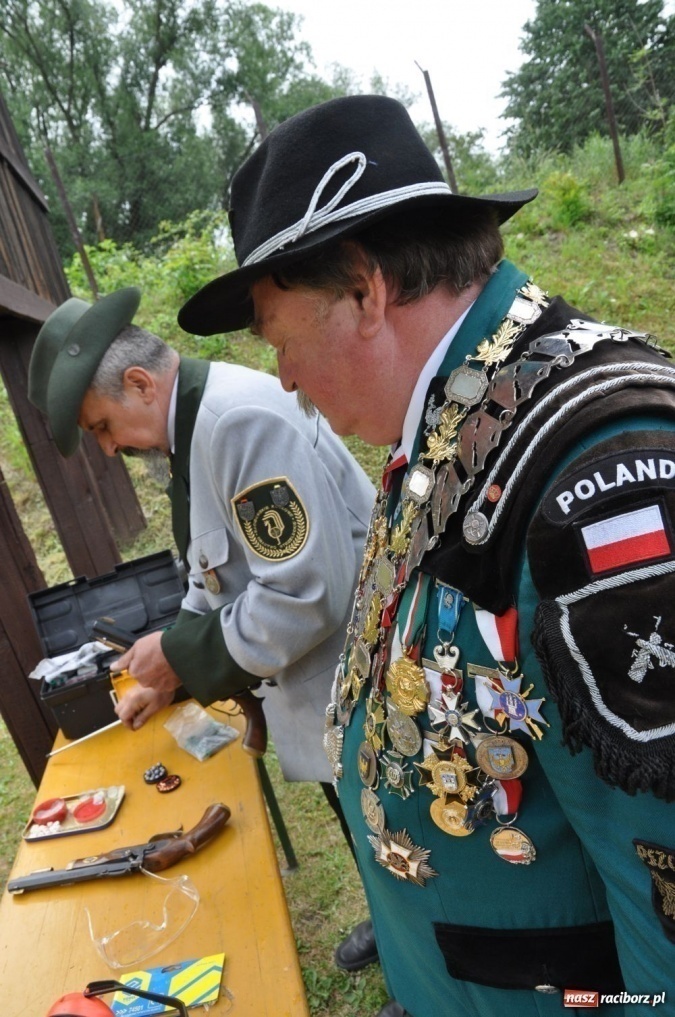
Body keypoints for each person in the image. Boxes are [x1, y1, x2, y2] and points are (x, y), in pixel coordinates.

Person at [176, 94, 675, 1017]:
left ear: (365, 290)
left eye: (282, 339)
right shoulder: (455, 422)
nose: (281, 375)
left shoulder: (593, 462)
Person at [27, 289, 381, 971]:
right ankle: (394, 922)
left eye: (102, 427)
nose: (108, 449)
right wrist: (170, 669)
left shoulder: (235, 420)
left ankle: (418, 968)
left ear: (138, 383)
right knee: (365, 828)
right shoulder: (195, 427)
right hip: (331, 686)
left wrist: (181, 653)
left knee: (394, 832)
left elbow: (304, 593)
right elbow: (211, 568)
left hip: (361, 677)